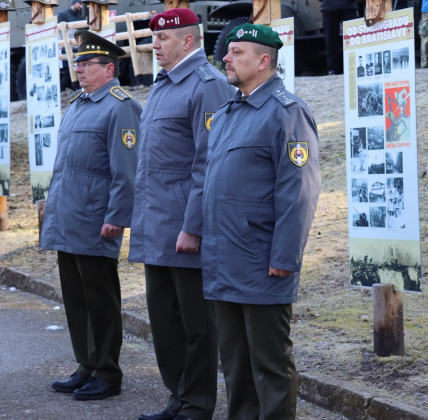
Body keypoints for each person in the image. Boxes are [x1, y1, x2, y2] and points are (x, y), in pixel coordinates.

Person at [202, 23, 321, 420]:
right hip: (224, 256)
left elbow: (298, 192)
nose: (226, 59)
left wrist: (285, 256)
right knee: (234, 362)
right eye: (228, 52)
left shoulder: (288, 113)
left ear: (263, 60)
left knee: (269, 362)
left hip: (262, 259)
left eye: (236, 52)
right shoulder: (227, 112)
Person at [129, 9, 234, 420]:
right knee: (165, 322)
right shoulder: (162, 85)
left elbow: (208, 164)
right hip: (156, 225)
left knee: (196, 326)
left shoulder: (207, 86)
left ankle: (197, 404)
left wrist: (194, 227)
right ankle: (177, 396)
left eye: (162, 40)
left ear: (188, 41)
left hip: (185, 229)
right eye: (154, 39)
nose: (154, 46)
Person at [41, 30, 141, 401]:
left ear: (109, 68)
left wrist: (117, 215)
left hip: (97, 220)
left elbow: (126, 170)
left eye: (87, 64)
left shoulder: (120, 106)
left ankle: (107, 372)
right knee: (77, 299)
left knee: (100, 301)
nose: (78, 69)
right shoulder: (80, 105)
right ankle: (86, 365)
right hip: (69, 218)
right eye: (77, 63)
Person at [320, 0, 358, 74]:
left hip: (347, 7)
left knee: (352, 40)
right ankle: (333, 68)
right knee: (331, 40)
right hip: (331, 7)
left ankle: (334, 69)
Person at [57, 0, 84, 91]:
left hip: (77, 48)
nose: (81, 6)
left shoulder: (80, 17)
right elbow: (58, 31)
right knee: (66, 72)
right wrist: (60, 45)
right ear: (74, 3)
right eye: (80, 4)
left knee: (76, 71)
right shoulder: (63, 14)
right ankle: (60, 92)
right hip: (65, 47)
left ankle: (74, 92)